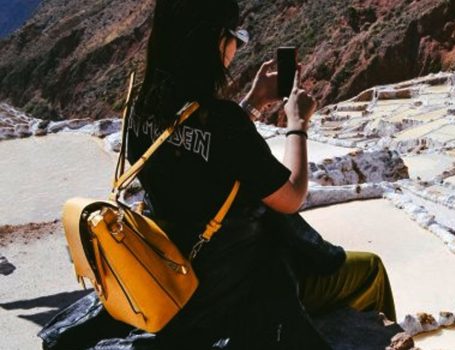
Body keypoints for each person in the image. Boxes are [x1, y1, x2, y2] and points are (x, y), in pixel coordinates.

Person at [38, 0, 395, 348]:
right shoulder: (225, 122)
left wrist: (252, 103)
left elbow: (198, 156)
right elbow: (290, 196)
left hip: (170, 277)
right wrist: (297, 125)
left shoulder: (140, 106)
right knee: (369, 269)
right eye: (235, 36)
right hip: (232, 291)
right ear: (214, 41)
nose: (237, 46)